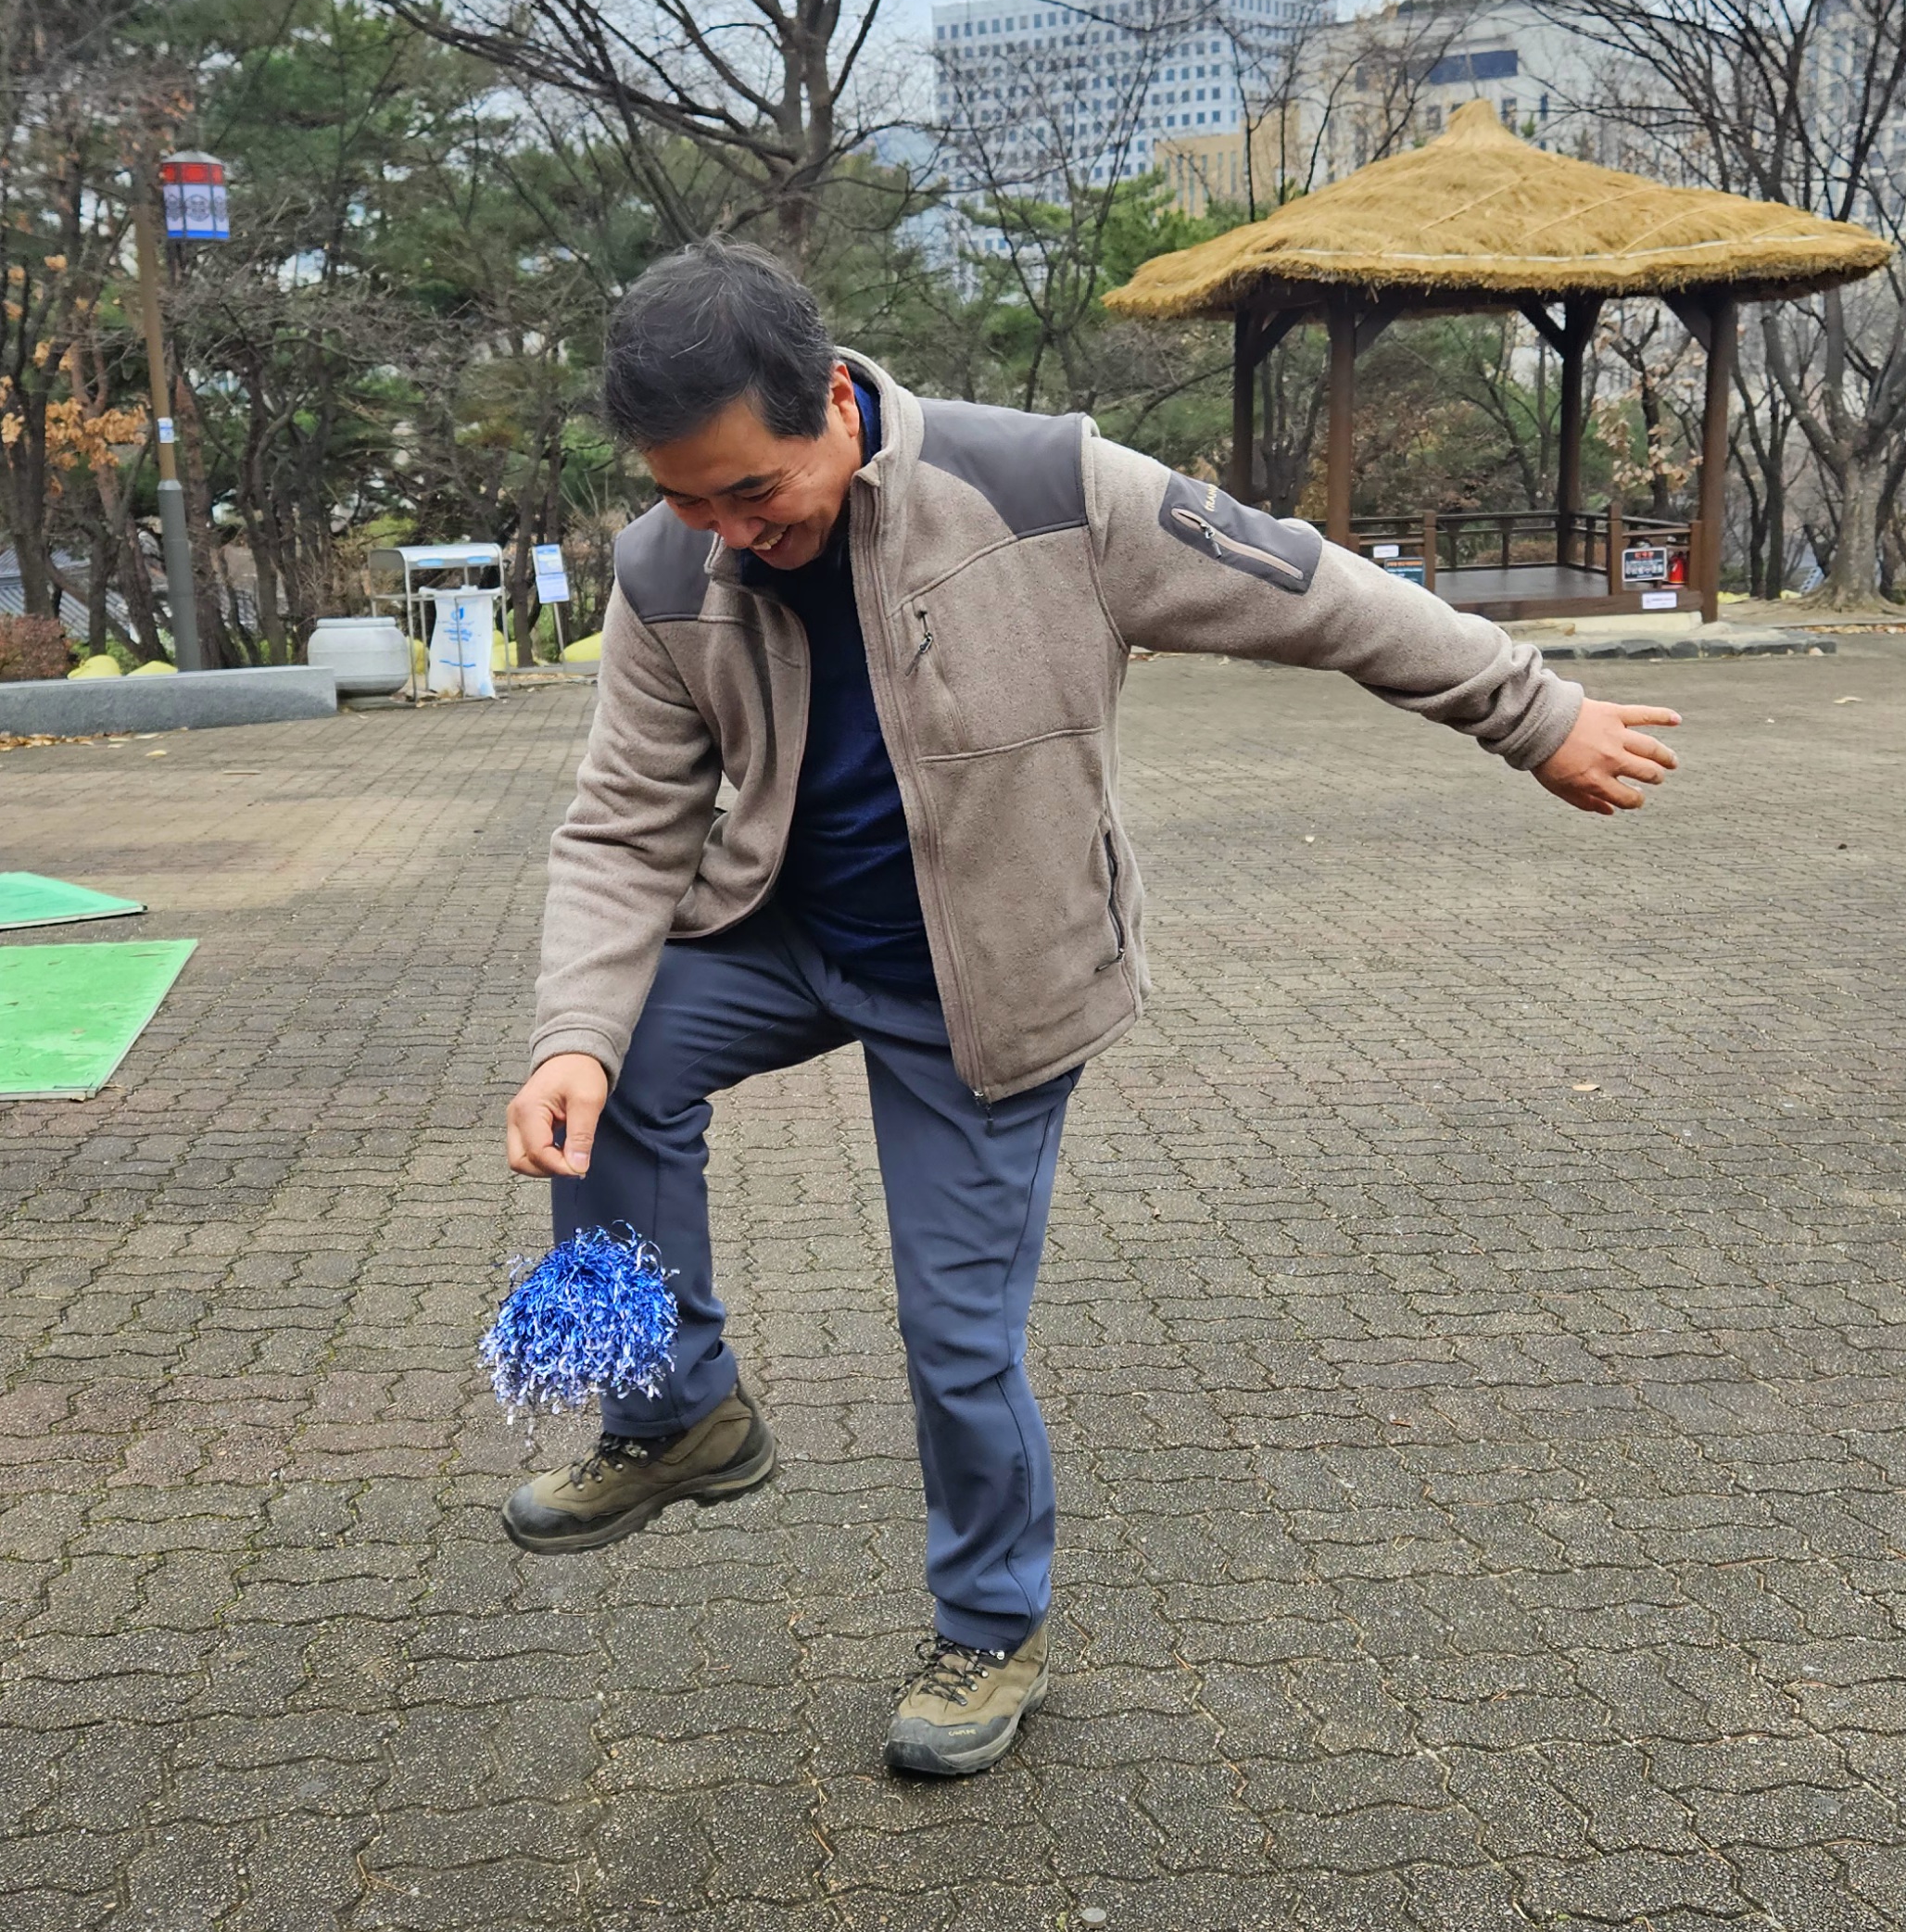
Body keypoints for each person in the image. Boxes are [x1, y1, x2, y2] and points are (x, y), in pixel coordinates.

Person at [503, 241, 1678, 1778]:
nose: (728, 533)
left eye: (752, 492)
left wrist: (1535, 714)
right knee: (606, 1071)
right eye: (687, 500)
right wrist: (570, 1037)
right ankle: (670, 1412)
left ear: (836, 403)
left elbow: (1317, 589)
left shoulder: (1044, 487)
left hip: (991, 974)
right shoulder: (669, 570)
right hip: (783, 933)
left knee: (954, 1331)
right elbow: (623, 824)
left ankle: (990, 1626)